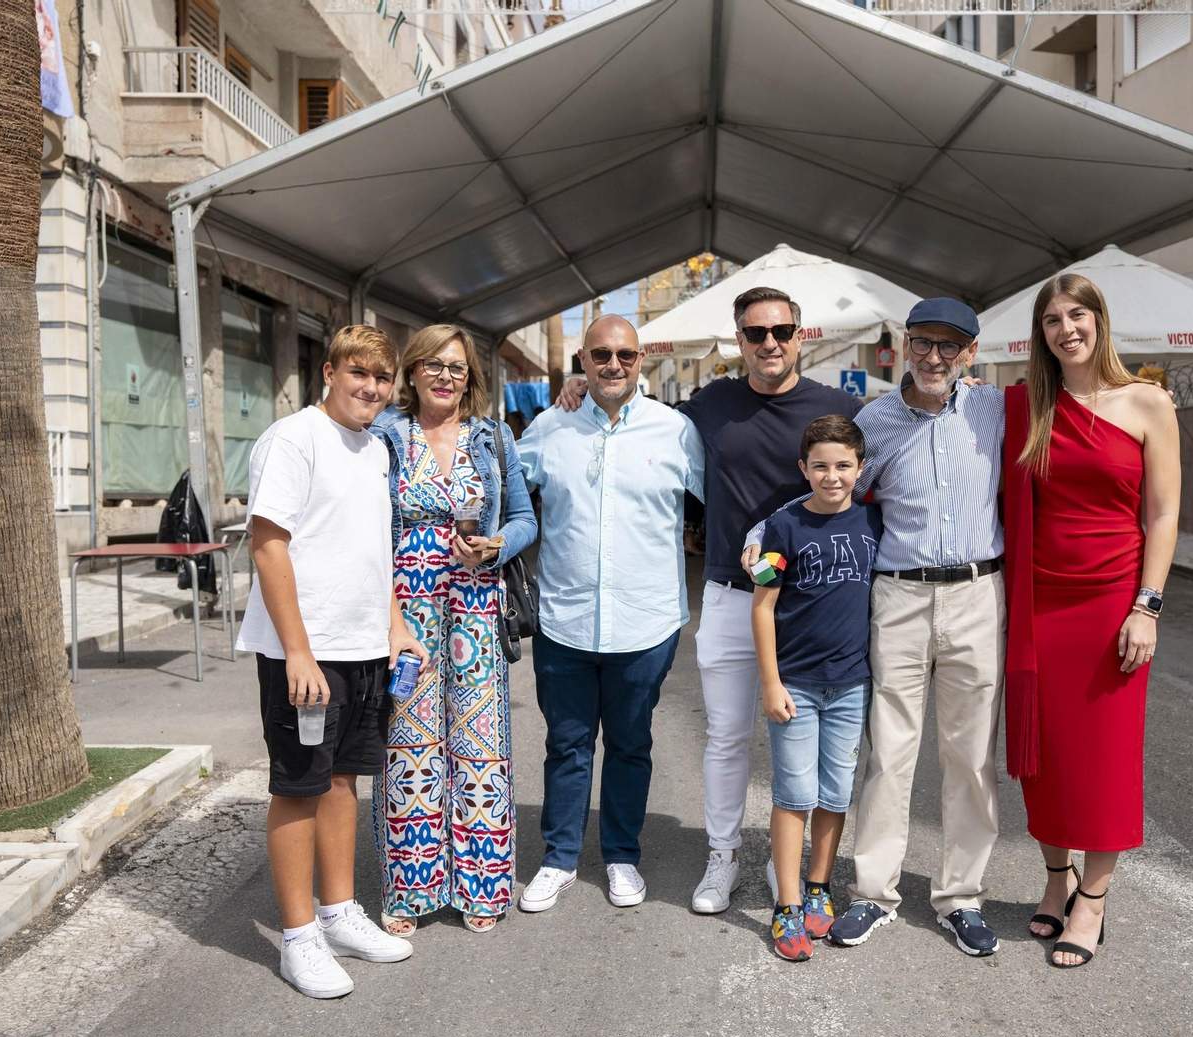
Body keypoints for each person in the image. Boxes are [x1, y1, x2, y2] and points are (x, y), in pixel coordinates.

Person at [556, 287, 860, 914]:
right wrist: (577, 386)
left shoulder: (838, 406)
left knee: (797, 739)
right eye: (755, 333)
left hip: (804, 607)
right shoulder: (710, 405)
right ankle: (722, 855)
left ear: (801, 334)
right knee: (725, 737)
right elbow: (635, 407)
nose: (769, 343)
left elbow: (868, 481)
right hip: (727, 595)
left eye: (780, 331)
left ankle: (791, 867)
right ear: (738, 339)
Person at [745, 297, 1008, 957]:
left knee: (970, 757)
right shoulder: (875, 422)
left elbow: (1071, 408)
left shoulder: (994, 409)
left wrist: (1143, 395)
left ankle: (961, 898)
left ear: (971, 354)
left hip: (978, 593)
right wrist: (763, 535)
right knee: (889, 754)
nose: (936, 357)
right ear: (904, 345)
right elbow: (827, 495)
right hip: (899, 598)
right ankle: (873, 895)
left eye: (951, 346)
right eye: (924, 342)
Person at [237, 324, 423, 999]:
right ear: (329, 371)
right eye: (358, 374)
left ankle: (339, 912)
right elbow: (268, 547)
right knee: (298, 787)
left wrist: (395, 626)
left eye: (381, 379)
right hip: (306, 655)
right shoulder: (292, 439)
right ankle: (297, 937)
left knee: (345, 782)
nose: (371, 388)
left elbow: (374, 548)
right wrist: (296, 651)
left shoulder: (375, 447)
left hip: (366, 649)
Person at [1003, 274, 1179, 969]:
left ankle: (1094, 900)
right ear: (1041, 335)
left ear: (1100, 321)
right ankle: (1055, 878)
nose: (1065, 328)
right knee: (1043, 758)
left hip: (1113, 605)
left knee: (1104, 758)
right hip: (1040, 606)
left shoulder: (1149, 402)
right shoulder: (1027, 408)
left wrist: (1148, 605)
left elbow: (1162, 515)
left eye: (1077, 314)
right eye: (1051, 319)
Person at [514, 314, 704, 914]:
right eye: (600, 355)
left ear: (640, 359)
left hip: (645, 621)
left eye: (624, 354)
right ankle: (559, 857)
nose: (613, 365)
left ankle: (622, 855)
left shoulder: (676, 431)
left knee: (630, 744)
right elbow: (505, 490)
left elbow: (723, 501)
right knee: (566, 744)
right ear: (582, 361)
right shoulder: (551, 425)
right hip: (564, 619)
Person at [369, 324, 537, 936]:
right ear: (412, 372)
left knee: (479, 740)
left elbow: (523, 518)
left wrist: (496, 547)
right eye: (434, 365)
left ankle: (482, 886)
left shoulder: (492, 438)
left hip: (475, 605)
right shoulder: (387, 434)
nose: (446, 375)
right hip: (406, 608)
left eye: (457, 368)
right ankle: (412, 890)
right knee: (409, 746)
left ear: (471, 379)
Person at [751, 415, 880, 961]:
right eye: (820, 466)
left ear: (860, 469)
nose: (832, 476)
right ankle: (786, 903)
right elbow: (763, 606)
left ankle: (818, 886)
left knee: (834, 793)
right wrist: (771, 683)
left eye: (843, 466)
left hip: (852, 685)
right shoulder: (783, 528)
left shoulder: (875, 522)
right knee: (793, 795)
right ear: (803, 468)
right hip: (797, 688)